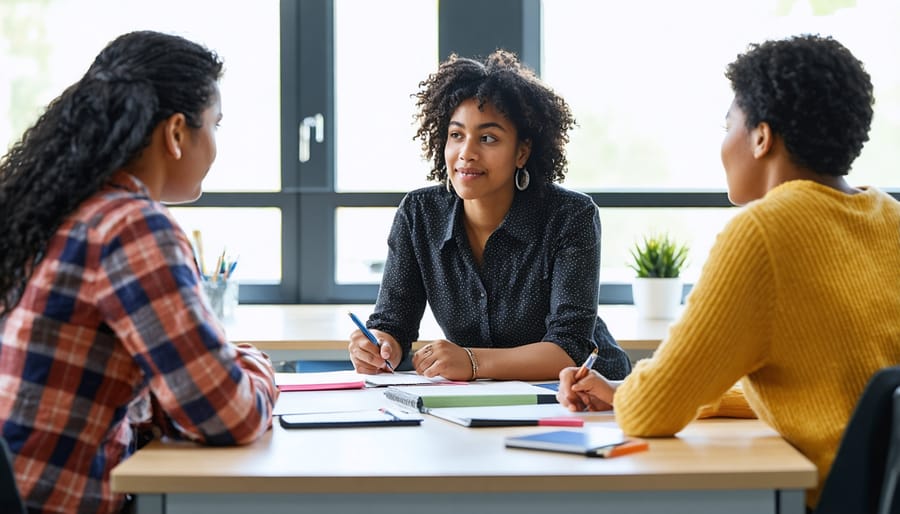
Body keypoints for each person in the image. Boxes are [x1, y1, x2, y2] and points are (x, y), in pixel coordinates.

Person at [556, 34, 900, 510]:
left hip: (826, 498)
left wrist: (631, 396)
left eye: (728, 125)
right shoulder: (888, 216)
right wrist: (624, 391)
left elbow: (649, 411)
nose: (723, 143)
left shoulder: (763, 231)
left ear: (761, 137)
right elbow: (830, 386)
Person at [0, 31, 279, 513]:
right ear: (176, 134)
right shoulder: (130, 226)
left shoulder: (58, 208)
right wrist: (259, 365)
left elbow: (166, 396)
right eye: (216, 124)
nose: (216, 144)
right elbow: (229, 414)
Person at [348, 50, 631, 382]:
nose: (466, 153)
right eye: (456, 135)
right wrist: (379, 346)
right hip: (479, 395)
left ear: (522, 152)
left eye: (487, 138)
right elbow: (392, 324)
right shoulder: (419, 214)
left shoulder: (570, 216)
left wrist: (472, 361)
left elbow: (569, 349)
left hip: (580, 393)